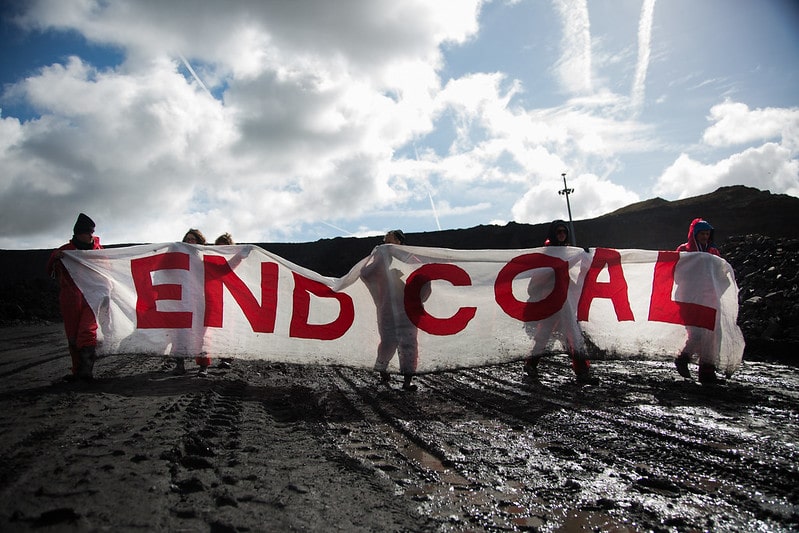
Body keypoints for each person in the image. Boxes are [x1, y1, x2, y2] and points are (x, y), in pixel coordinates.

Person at [523, 220, 598, 385]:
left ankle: (582, 371)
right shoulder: (548, 253)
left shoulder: (568, 252)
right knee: (545, 336)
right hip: (551, 302)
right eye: (559, 232)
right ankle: (531, 365)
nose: (562, 234)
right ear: (553, 234)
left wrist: (585, 255)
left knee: (573, 335)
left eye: (564, 231)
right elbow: (536, 281)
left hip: (564, 303)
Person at [361, 229, 420, 391]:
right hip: (387, 307)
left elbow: (421, 274)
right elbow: (365, 274)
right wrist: (379, 259)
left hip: (407, 308)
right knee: (388, 341)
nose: (386, 243)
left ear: (399, 242)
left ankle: (408, 380)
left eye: (390, 240)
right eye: (384, 240)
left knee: (409, 343)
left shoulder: (409, 259)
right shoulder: (380, 258)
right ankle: (382, 371)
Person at [46, 213, 103, 381]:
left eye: (92, 232)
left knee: (87, 331)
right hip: (71, 300)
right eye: (87, 232)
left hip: (93, 299)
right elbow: (50, 272)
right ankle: (77, 371)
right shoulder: (65, 251)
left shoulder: (99, 252)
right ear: (78, 234)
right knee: (72, 336)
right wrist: (55, 259)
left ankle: (86, 371)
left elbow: (107, 274)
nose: (90, 235)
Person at [674, 218, 722, 384]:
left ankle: (707, 373)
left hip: (708, 298)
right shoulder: (684, 250)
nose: (705, 237)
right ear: (694, 234)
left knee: (710, 334)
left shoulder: (713, 252)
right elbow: (677, 272)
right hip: (689, 297)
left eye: (707, 234)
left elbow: (719, 274)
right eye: (702, 233)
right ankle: (683, 358)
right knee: (697, 333)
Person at [170, 228, 213, 377]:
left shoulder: (204, 258)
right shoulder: (177, 257)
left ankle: (203, 366)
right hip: (181, 301)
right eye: (187, 239)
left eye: (193, 239)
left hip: (200, 301)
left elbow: (222, 269)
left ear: (199, 242)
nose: (189, 242)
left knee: (201, 335)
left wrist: (239, 256)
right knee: (180, 333)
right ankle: (179, 365)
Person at [214, 232, 235, 369]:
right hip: (214, 297)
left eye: (225, 246)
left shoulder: (234, 259)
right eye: (219, 246)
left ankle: (226, 358)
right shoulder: (210, 259)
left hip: (229, 298)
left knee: (228, 329)